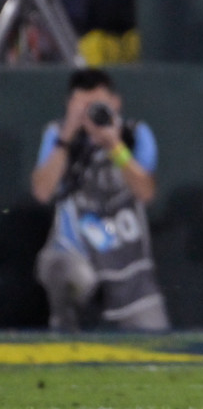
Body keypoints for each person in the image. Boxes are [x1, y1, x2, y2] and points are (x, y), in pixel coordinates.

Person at [30, 68, 169, 331]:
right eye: (84, 106)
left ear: (116, 103)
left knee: (156, 340)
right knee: (55, 265)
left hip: (129, 267)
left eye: (99, 105)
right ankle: (65, 328)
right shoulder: (58, 135)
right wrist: (68, 134)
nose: (92, 113)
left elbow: (146, 192)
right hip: (77, 259)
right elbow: (42, 191)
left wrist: (114, 146)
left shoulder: (134, 134)